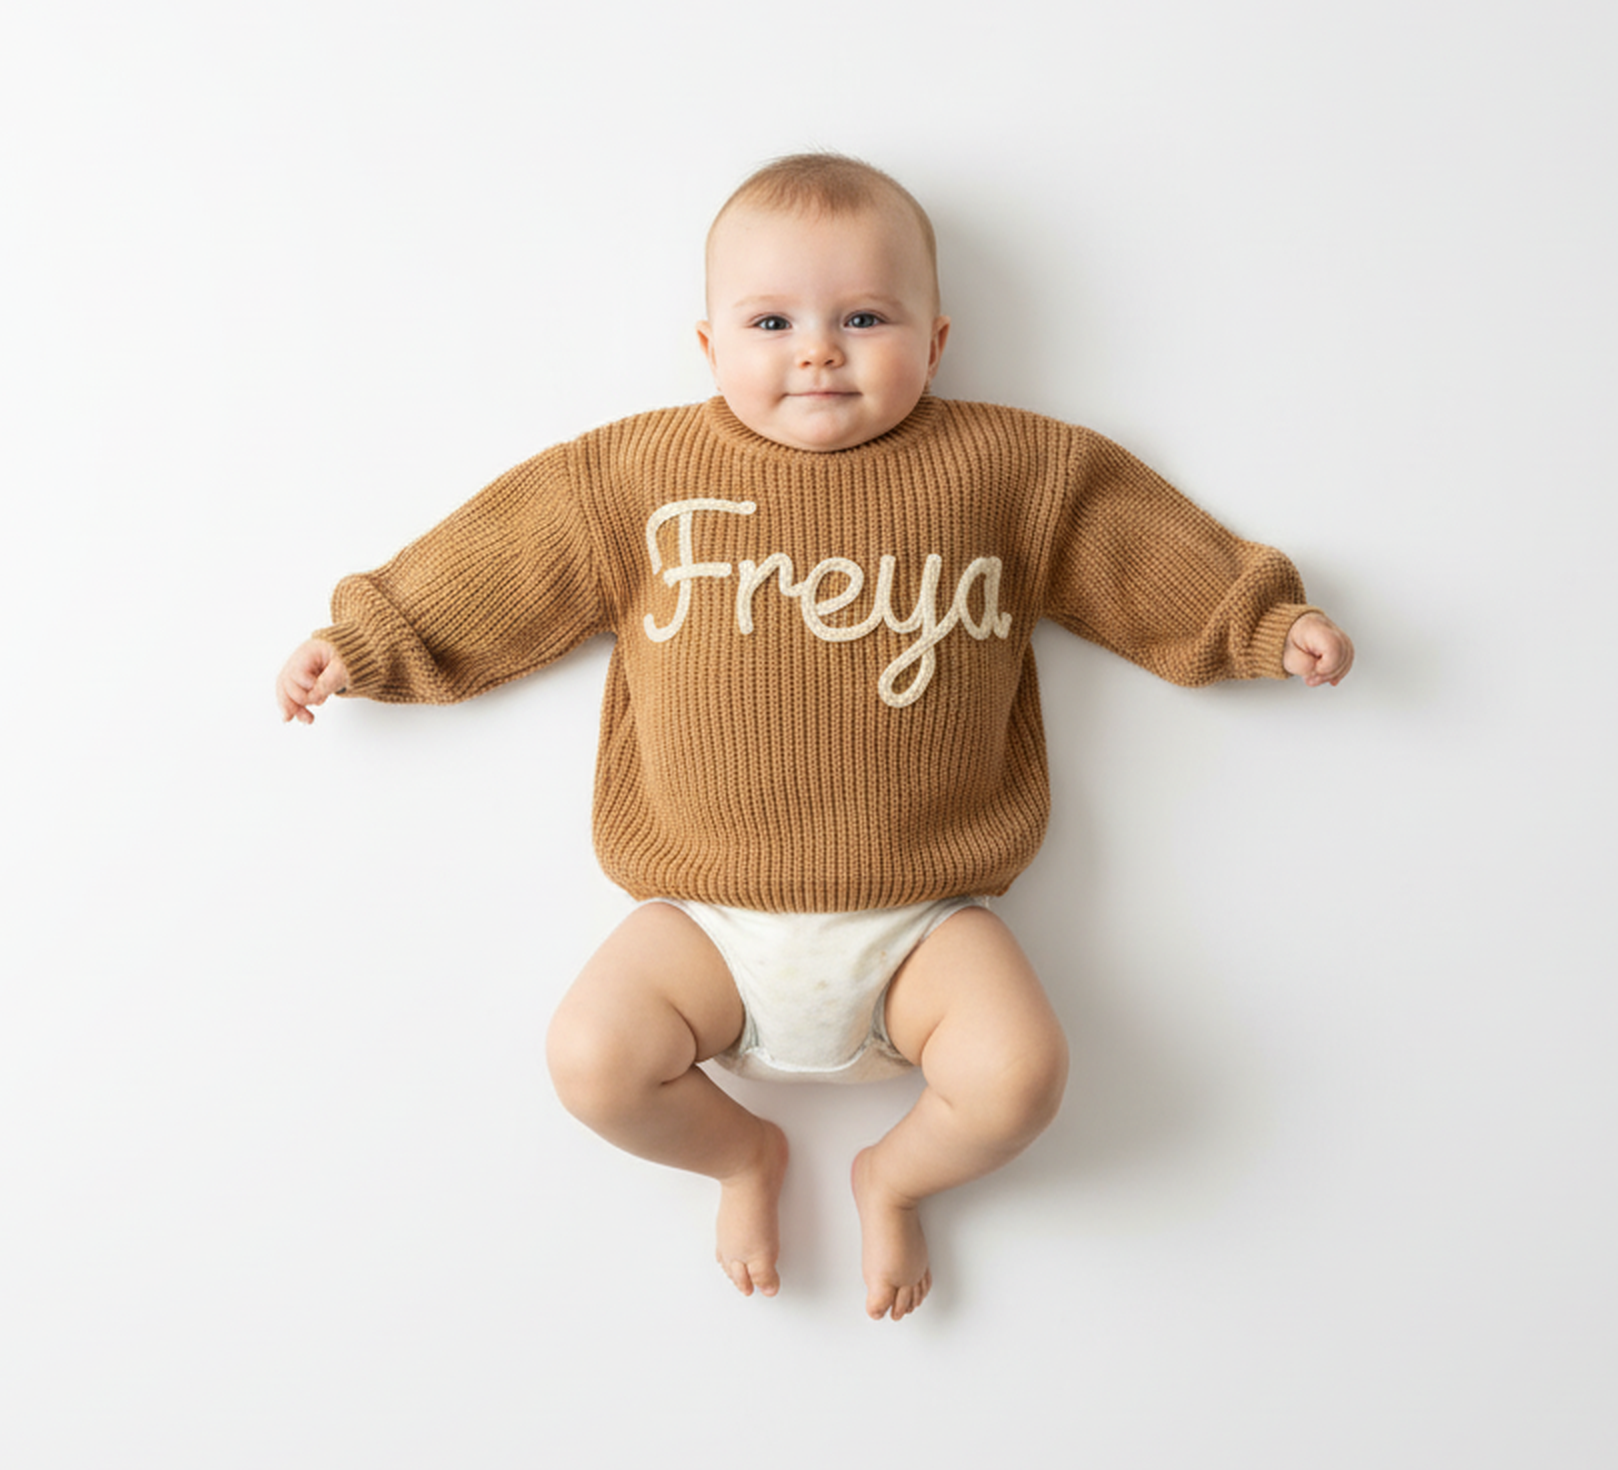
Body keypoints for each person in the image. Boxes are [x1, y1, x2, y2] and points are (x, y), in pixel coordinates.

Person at [275, 153, 1354, 1322]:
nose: (816, 350)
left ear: (935, 341)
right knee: (590, 1061)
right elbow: (507, 559)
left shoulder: (1007, 469)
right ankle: (740, 1156)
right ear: (707, 346)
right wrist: (371, 641)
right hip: (702, 921)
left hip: (925, 921)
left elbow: (1127, 541)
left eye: (863, 318)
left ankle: (893, 1175)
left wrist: (1254, 621)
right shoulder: (637, 474)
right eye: (772, 320)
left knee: (1020, 1075)